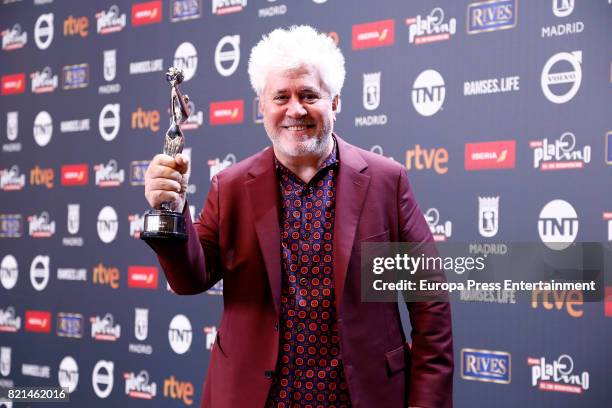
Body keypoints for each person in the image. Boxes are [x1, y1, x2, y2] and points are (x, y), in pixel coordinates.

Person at [144, 25, 453, 408]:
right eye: (281, 97)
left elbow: (429, 305)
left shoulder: (386, 182)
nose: (295, 109)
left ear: (335, 101)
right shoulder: (231, 186)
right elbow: (191, 278)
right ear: (261, 106)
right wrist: (172, 210)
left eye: (309, 94)